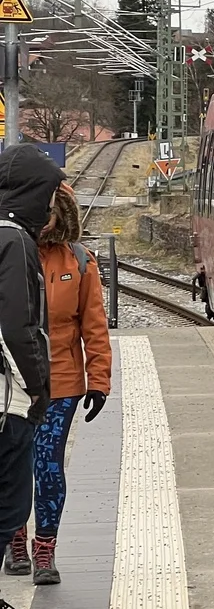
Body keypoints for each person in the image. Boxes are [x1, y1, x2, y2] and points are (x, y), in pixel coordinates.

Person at [2, 182, 111, 585]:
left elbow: (94, 327)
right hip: (13, 383)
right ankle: (16, 537)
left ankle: (44, 546)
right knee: (14, 466)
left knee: (46, 465)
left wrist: (99, 381)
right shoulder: (10, 253)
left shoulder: (79, 262)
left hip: (61, 385)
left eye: (50, 211)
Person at [0, 144, 65, 609]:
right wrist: (38, 388)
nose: (47, 207)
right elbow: (17, 327)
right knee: (9, 505)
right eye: (44, 193)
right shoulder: (13, 241)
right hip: (7, 402)